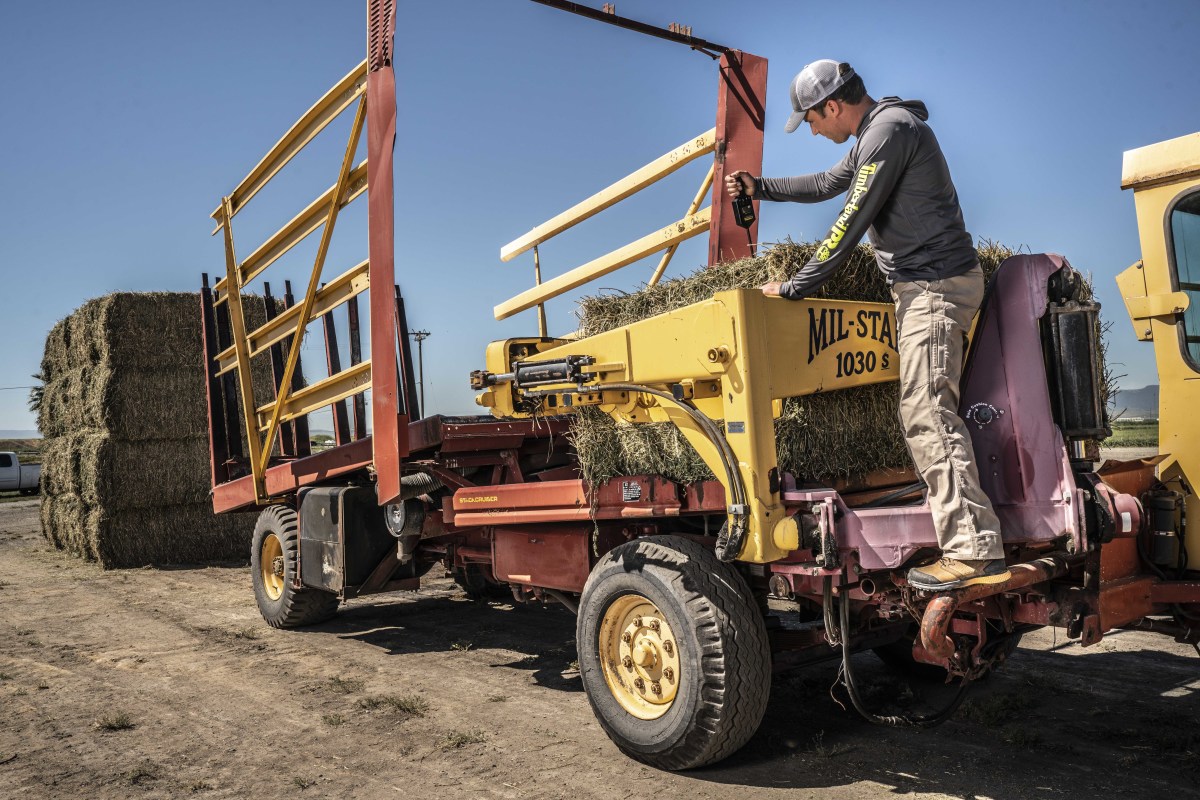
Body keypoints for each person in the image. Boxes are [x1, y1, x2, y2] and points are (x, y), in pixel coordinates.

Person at [725, 59, 1010, 591]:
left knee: (926, 411)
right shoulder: (876, 134)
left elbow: (850, 221)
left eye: (811, 120)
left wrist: (796, 285)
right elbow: (828, 183)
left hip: (933, 286)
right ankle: (971, 541)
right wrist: (758, 187)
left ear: (833, 106)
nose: (812, 131)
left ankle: (973, 550)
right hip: (926, 285)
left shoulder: (889, 131)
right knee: (926, 408)